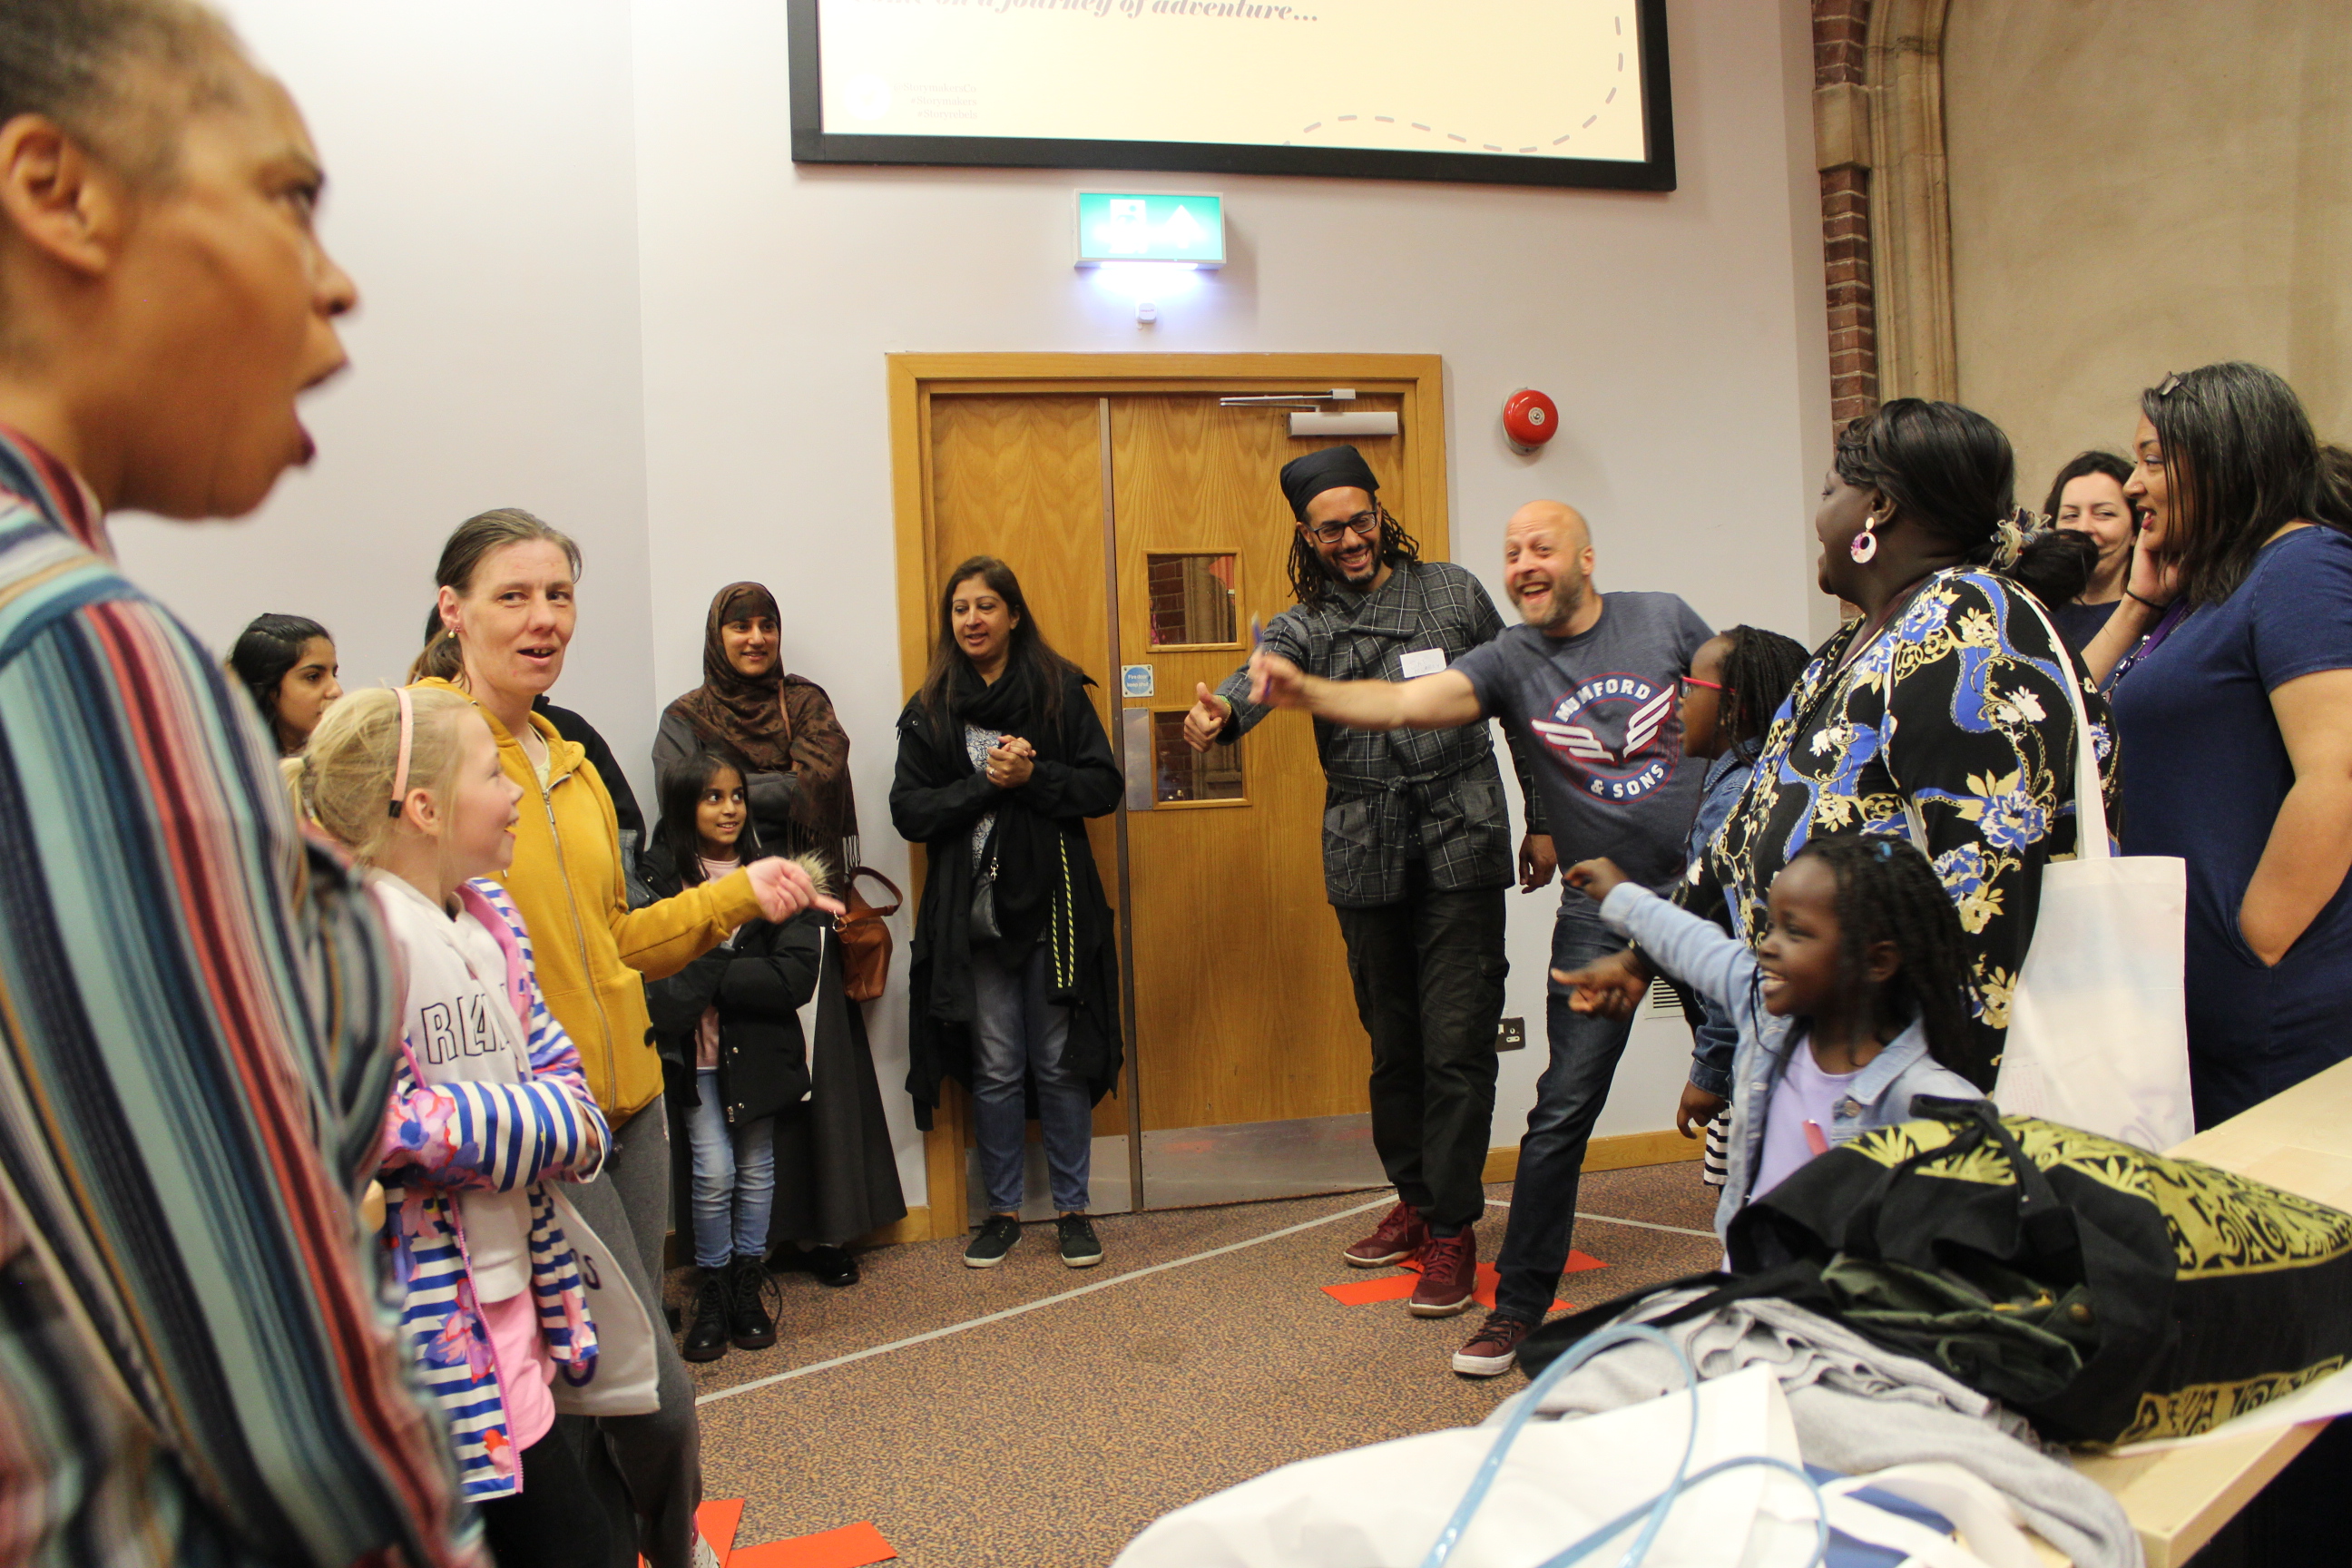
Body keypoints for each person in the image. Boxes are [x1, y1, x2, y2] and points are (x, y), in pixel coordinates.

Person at [0, 5, 478, 1563]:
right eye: (288, 197)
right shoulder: (79, 649)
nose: (336, 282)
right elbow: (286, 1392)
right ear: (59, 192)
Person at [417, 506, 831, 1568]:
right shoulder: (424, 746)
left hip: (632, 1108)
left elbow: (614, 941)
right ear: (452, 608)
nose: (544, 619)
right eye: (514, 596)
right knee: (646, 1393)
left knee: (603, 1388)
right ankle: (666, 1546)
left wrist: (739, 893)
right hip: (535, 1128)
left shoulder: (567, 754)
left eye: (559, 595)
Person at [1243, 499, 1713, 1377]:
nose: (1525, 562)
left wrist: (1735, 826)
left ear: (1586, 556)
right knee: (1560, 1108)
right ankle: (1517, 1307)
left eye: (1543, 546)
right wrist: (1301, 692)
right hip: (1601, 907)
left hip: (1708, 889)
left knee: (1762, 1081)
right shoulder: (1511, 657)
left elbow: (1751, 706)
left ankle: (1788, 1270)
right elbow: (1404, 703)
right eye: (1512, 550)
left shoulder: (1662, 617)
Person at [1569, 400, 2112, 1111]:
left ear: (1877, 508)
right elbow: (1744, 830)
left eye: (1829, 490)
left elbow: (1984, 924)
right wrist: (1642, 956)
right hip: (1828, 1070)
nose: (1818, 517)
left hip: (1907, 1099)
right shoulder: (1850, 649)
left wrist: (1928, 1126)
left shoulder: (1968, 636)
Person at [1180, 446, 1552, 1318]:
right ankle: (1416, 1200)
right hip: (1366, 848)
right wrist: (1221, 714)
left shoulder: (1453, 594)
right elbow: (1260, 678)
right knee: (1394, 1046)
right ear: (1305, 537)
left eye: (1359, 521)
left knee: (1457, 1042)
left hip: (1461, 837)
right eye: (1329, 530)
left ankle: (1453, 1227)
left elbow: (1520, 707)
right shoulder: (1306, 624)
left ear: (1381, 516)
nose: (1348, 540)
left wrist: (1542, 816)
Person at [298, 686, 624, 1567]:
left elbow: (572, 1095)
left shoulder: (490, 922)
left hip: (512, 1289)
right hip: (429, 1327)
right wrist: (534, 1126)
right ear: (425, 808)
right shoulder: (353, 937)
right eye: (491, 774)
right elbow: (378, 1121)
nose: (513, 790)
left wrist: (511, 1128)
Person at [2092, 365, 2352, 1131]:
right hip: (2200, 999)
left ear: (2224, 454)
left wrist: (2255, 942)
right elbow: (2069, 720)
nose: (2134, 484)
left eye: (2152, 459)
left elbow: (2337, 771)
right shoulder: (2208, 591)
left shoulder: (2301, 565)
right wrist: (2138, 605)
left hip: (2276, 1002)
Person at [1559, 838, 1984, 1242]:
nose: (1767, 946)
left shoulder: (1935, 1107)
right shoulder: (1770, 1024)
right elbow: (1701, 950)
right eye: (1772, 926)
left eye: (1795, 932)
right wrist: (1624, 897)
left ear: (1877, 961)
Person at [892, 556, 1122, 1269]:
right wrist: (987, 785)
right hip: (973, 919)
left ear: (1014, 615)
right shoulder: (933, 707)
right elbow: (910, 811)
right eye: (960, 608)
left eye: (986, 606)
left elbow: (1103, 787)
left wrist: (1033, 775)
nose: (972, 620)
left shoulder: (1058, 691)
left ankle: (1074, 1210)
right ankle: (1003, 1212)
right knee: (995, 1066)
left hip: (1053, 911)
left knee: (1057, 1063)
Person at [642, 748, 816, 1364]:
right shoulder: (658, 876)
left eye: (737, 795)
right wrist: (718, 966)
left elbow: (794, 977)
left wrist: (706, 966)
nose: (729, 808)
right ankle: (711, 1288)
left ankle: (747, 1283)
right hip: (695, 1060)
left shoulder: (778, 873)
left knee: (757, 1167)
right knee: (713, 1173)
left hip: (757, 1055)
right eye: (713, 797)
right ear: (683, 805)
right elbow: (653, 973)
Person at [1671, 625, 1810, 1188]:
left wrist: (1709, 1068)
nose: (1679, 703)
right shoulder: (1768, 781)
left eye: (1690, 688)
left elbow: (1736, 953)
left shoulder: (1734, 801)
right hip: (1765, 1046)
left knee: (1752, 1199)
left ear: (1736, 709)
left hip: (1748, 1051)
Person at [655, 581, 858, 877]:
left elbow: (824, 783)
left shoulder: (804, 702)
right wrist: (789, 782)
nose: (757, 638)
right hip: (716, 885)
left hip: (801, 883)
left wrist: (718, 793)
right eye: (741, 627)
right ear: (717, 636)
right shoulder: (685, 716)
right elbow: (677, 800)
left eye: (767, 626)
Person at [2041, 451, 2137, 651]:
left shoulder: (2150, 616)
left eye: (2104, 514)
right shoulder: (2038, 611)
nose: (2083, 528)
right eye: (2070, 516)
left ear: (2136, 530)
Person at [227, 611, 341, 753]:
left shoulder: (350, 761)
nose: (336, 691)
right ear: (269, 688)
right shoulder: (231, 763)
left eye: (334, 675)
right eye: (313, 677)